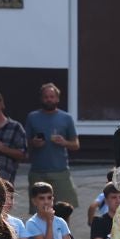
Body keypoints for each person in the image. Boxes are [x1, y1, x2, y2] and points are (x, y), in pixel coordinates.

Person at [24, 82, 80, 211]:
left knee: (64, 210)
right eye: (46, 97)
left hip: (60, 171)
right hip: (38, 172)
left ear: (57, 99)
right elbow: (24, 142)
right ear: (41, 98)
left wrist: (64, 142)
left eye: (52, 96)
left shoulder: (66, 118)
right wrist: (33, 143)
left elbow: (76, 145)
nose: (49, 99)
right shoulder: (32, 117)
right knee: (39, 212)